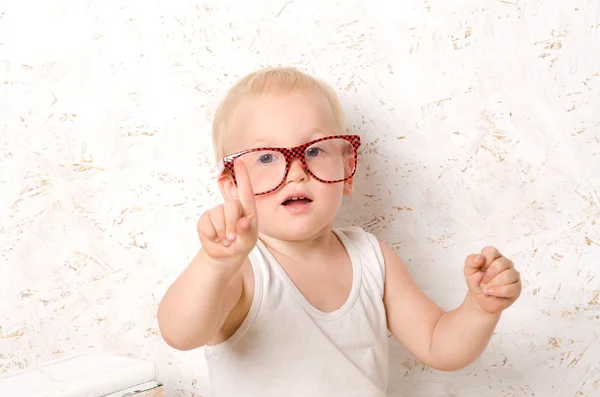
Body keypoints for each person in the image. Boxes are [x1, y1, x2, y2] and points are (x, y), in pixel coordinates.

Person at [157, 67, 522, 396]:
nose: (297, 170)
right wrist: (214, 264)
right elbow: (181, 333)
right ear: (234, 186)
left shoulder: (372, 258)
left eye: (314, 150)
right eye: (267, 156)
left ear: (347, 171)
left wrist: (479, 309)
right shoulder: (243, 270)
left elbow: (437, 344)